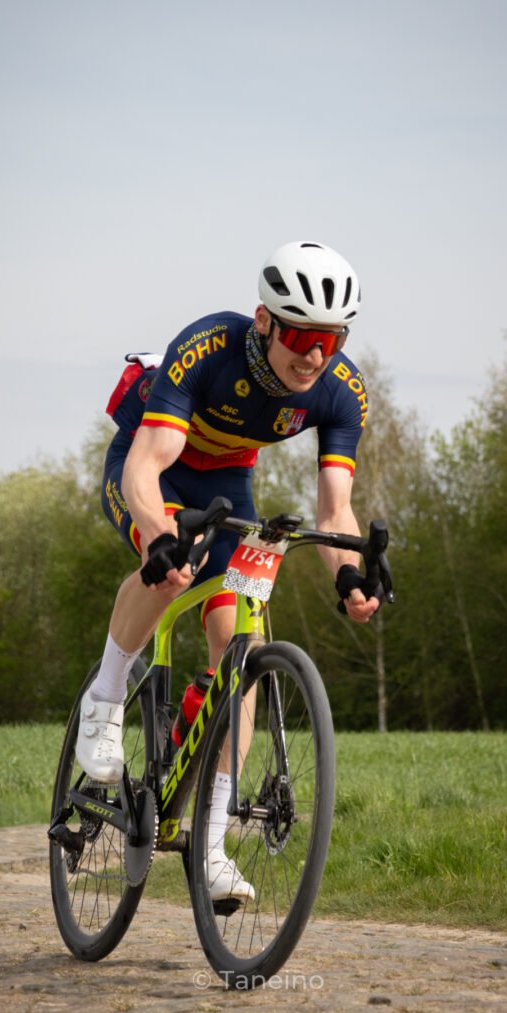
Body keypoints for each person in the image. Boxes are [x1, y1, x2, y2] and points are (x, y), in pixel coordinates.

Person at [77, 240, 383, 900]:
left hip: (227, 487)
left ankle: (210, 847)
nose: (314, 355)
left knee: (241, 649)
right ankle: (105, 698)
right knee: (170, 571)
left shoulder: (341, 391)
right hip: (151, 467)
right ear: (265, 320)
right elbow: (147, 465)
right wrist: (159, 535)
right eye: (301, 336)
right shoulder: (208, 346)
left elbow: (336, 508)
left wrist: (350, 575)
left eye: (331, 340)